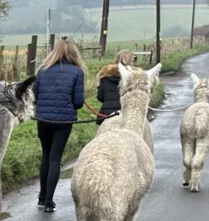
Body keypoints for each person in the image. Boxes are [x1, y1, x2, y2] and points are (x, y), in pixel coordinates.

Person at [31, 37, 86, 212]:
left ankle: (41, 196)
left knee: (46, 155)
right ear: (73, 53)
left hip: (43, 119)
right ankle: (49, 200)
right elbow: (78, 102)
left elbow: (35, 97)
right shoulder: (77, 72)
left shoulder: (42, 70)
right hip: (63, 121)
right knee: (55, 157)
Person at [94, 48, 136, 122]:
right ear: (130, 62)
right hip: (126, 113)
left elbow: (100, 97)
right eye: (132, 60)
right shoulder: (133, 78)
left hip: (107, 115)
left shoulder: (105, 76)